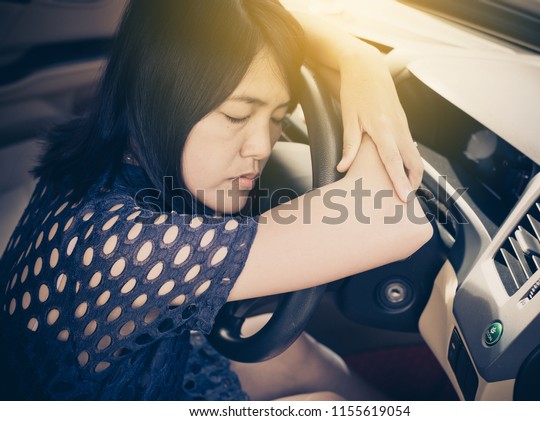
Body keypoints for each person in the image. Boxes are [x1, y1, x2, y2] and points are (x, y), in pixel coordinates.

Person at [0, 0, 432, 400]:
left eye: (278, 118)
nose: (261, 146)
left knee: (290, 352)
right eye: (236, 115)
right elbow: (393, 217)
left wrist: (355, 58)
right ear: (161, 93)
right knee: (328, 406)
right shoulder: (127, 246)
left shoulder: (104, 164)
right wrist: (368, 69)